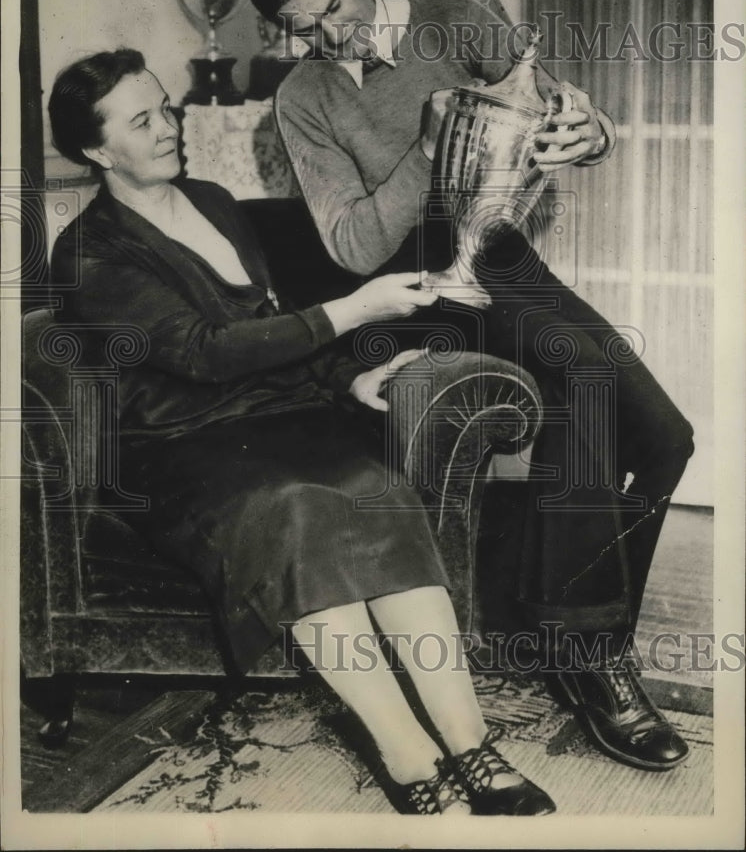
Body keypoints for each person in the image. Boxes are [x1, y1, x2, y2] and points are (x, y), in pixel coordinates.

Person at [47, 47, 560, 816]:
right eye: (142, 119)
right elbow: (202, 353)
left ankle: (469, 741)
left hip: (278, 419)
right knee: (297, 507)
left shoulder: (215, 201)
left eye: (167, 107)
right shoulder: (87, 250)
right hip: (179, 450)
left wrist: (344, 377)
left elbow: (268, 329)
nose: (168, 125)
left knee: (380, 493)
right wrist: (355, 310)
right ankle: (403, 750)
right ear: (95, 150)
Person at [241, 0, 695, 772]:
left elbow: (552, 109)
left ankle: (568, 628)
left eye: (332, 7)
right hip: (414, 295)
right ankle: (591, 656)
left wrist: (589, 132)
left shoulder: (450, 15)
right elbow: (352, 248)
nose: (329, 34)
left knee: (668, 439)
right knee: (584, 381)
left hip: (502, 262)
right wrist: (424, 148)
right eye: (304, 27)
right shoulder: (302, 97)